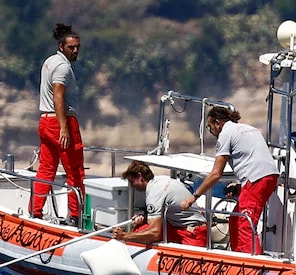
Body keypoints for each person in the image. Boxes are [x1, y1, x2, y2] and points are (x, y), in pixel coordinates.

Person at [180, 106, 279, 255]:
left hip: (256, 179)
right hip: (268, 177)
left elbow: (216, 174)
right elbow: (254, 159)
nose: (211, 131)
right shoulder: (247, 128)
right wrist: (241, 186)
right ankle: (239, 254)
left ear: (218, 123)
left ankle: (252, 264)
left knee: (244, 223)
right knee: (235, 219)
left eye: (210, 127)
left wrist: (194, 196)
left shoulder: (225, 134)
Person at [31, 24, 85, 224]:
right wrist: (64, 127)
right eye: (72, 47)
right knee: (75, 171)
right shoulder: (63, 67)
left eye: (78, 47)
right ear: (61, 46)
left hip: (45, 121)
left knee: (46, 169)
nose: (76, 50)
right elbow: (58, 95)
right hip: (60, 121)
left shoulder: (49, 61)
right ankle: (76, 216)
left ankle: (35, 211)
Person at [112, 161, 208, 246]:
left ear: (140, 176)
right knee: (143, 226)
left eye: (132, 181)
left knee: (140, 231)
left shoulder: (154, 193)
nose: (132, 186)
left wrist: (125, 236)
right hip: (197, 227)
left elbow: (155, 233)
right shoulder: (162, 180)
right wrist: (144, 218)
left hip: (193, 235)